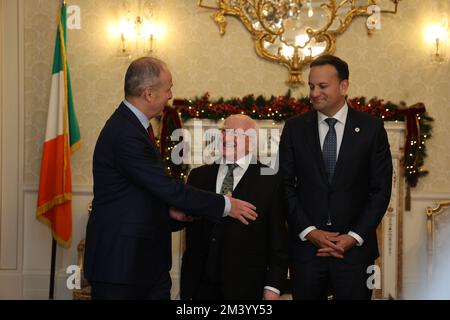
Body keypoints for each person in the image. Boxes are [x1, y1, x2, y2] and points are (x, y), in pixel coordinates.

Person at [83, 57, 258, 300]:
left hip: (141, 265)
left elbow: (141, 191)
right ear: (148, 93)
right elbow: (166, 187)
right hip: (121, 265)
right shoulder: (125, 133)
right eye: (168, 89)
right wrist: (226, 205)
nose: (170, 95)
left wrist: (169, 213)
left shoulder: (135, 126)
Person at [279, 55, 393, 300]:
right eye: (311, 86)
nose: (314, 93)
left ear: (343, 86)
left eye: (322, 86)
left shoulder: (372, 129)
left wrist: (352, 237)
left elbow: (381, 190)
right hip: (307, 252)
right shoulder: (294, 128)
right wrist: (310, 232)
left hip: (354, 253)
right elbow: (285, 185)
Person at [178, 114, 288, 300]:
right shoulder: (198, 176)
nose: (227, 137)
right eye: (224, 131)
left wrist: (273, 287)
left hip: (246, 286)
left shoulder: (271, 181)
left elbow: (278, 240)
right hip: (199, 287)